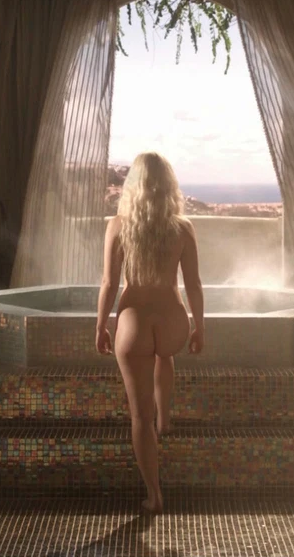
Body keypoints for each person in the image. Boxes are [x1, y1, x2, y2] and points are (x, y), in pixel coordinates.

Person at [95, 152, 205, 514]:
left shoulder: (118, 225)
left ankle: (154, 495)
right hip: (173, 323)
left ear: (134, 185)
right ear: (169, 185)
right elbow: (194, 284)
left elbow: (109, 284)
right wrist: (200, 327)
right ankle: (166, 418)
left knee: (139, 417)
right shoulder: (182, 228)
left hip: (134, 325)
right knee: (164, 354)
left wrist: (100, 325)